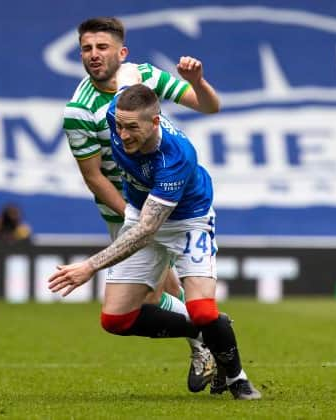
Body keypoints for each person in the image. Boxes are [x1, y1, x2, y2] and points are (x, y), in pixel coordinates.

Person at [50, 80, 261, 400]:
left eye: (132, 128)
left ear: (155, 122)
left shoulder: (175, 158)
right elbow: (126, 83)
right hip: (141, 211)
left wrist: (89, 267)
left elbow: (147, 231)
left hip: (188, 221)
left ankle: (237, 379)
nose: (122, 135)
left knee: (203, 309)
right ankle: (203, 332)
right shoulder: (117, 112)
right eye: (119, 126)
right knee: (116, 320)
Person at [63, 16, 220, 392]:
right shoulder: (79, 111)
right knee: (157, 293)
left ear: (122, 52)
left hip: (167, 199)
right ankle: (209, 334)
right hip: (125, 207)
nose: (94, 55)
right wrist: (132, 217)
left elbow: (208, 107)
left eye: (102, 47)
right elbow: (94, 176)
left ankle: (208, 338)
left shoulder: (145, 76)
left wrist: (196, 81)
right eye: (86, 48)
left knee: (157, 294)